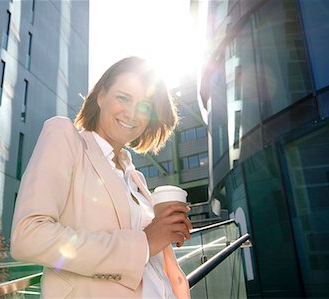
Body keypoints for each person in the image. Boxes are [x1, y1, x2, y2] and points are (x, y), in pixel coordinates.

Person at [10, 56, 192, 298]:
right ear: (101, 96)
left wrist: (166, 230)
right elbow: (28, 236)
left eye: (144, 106)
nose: (132, 113)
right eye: (124, 98)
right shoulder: (65, 137)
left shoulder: (134, 176)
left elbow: (149, 260)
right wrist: (144, 243)